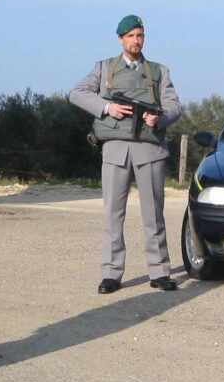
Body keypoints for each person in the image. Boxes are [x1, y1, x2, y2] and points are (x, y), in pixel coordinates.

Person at [69, 15, 182, 294]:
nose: (136, 40)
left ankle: (159, 272)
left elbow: (174, 105)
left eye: (140, 35)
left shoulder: (159, 71)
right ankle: (111, 274)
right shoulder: (104, 68)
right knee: (112, 214)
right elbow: (77, 93)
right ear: (120, 38)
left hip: (150, 149)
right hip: (115, 149)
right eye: (130, 35)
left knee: (153, 214)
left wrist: (161, 119)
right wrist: (107, 108)